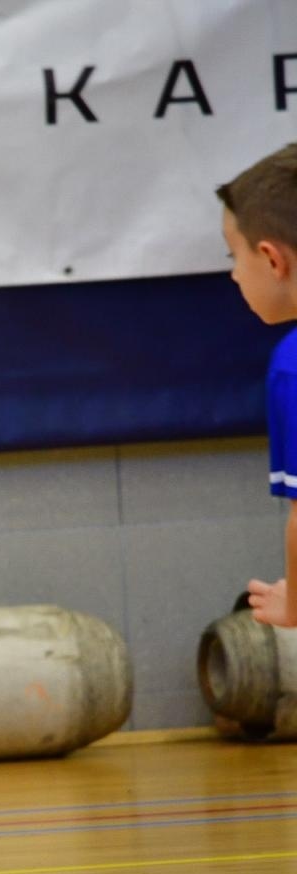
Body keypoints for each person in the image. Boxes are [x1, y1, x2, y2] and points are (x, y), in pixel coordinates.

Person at [221, 145, 297, 628]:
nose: (233, 273)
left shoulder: (293, 365)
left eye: (234, 256)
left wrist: (295, 603)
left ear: (271, 259)